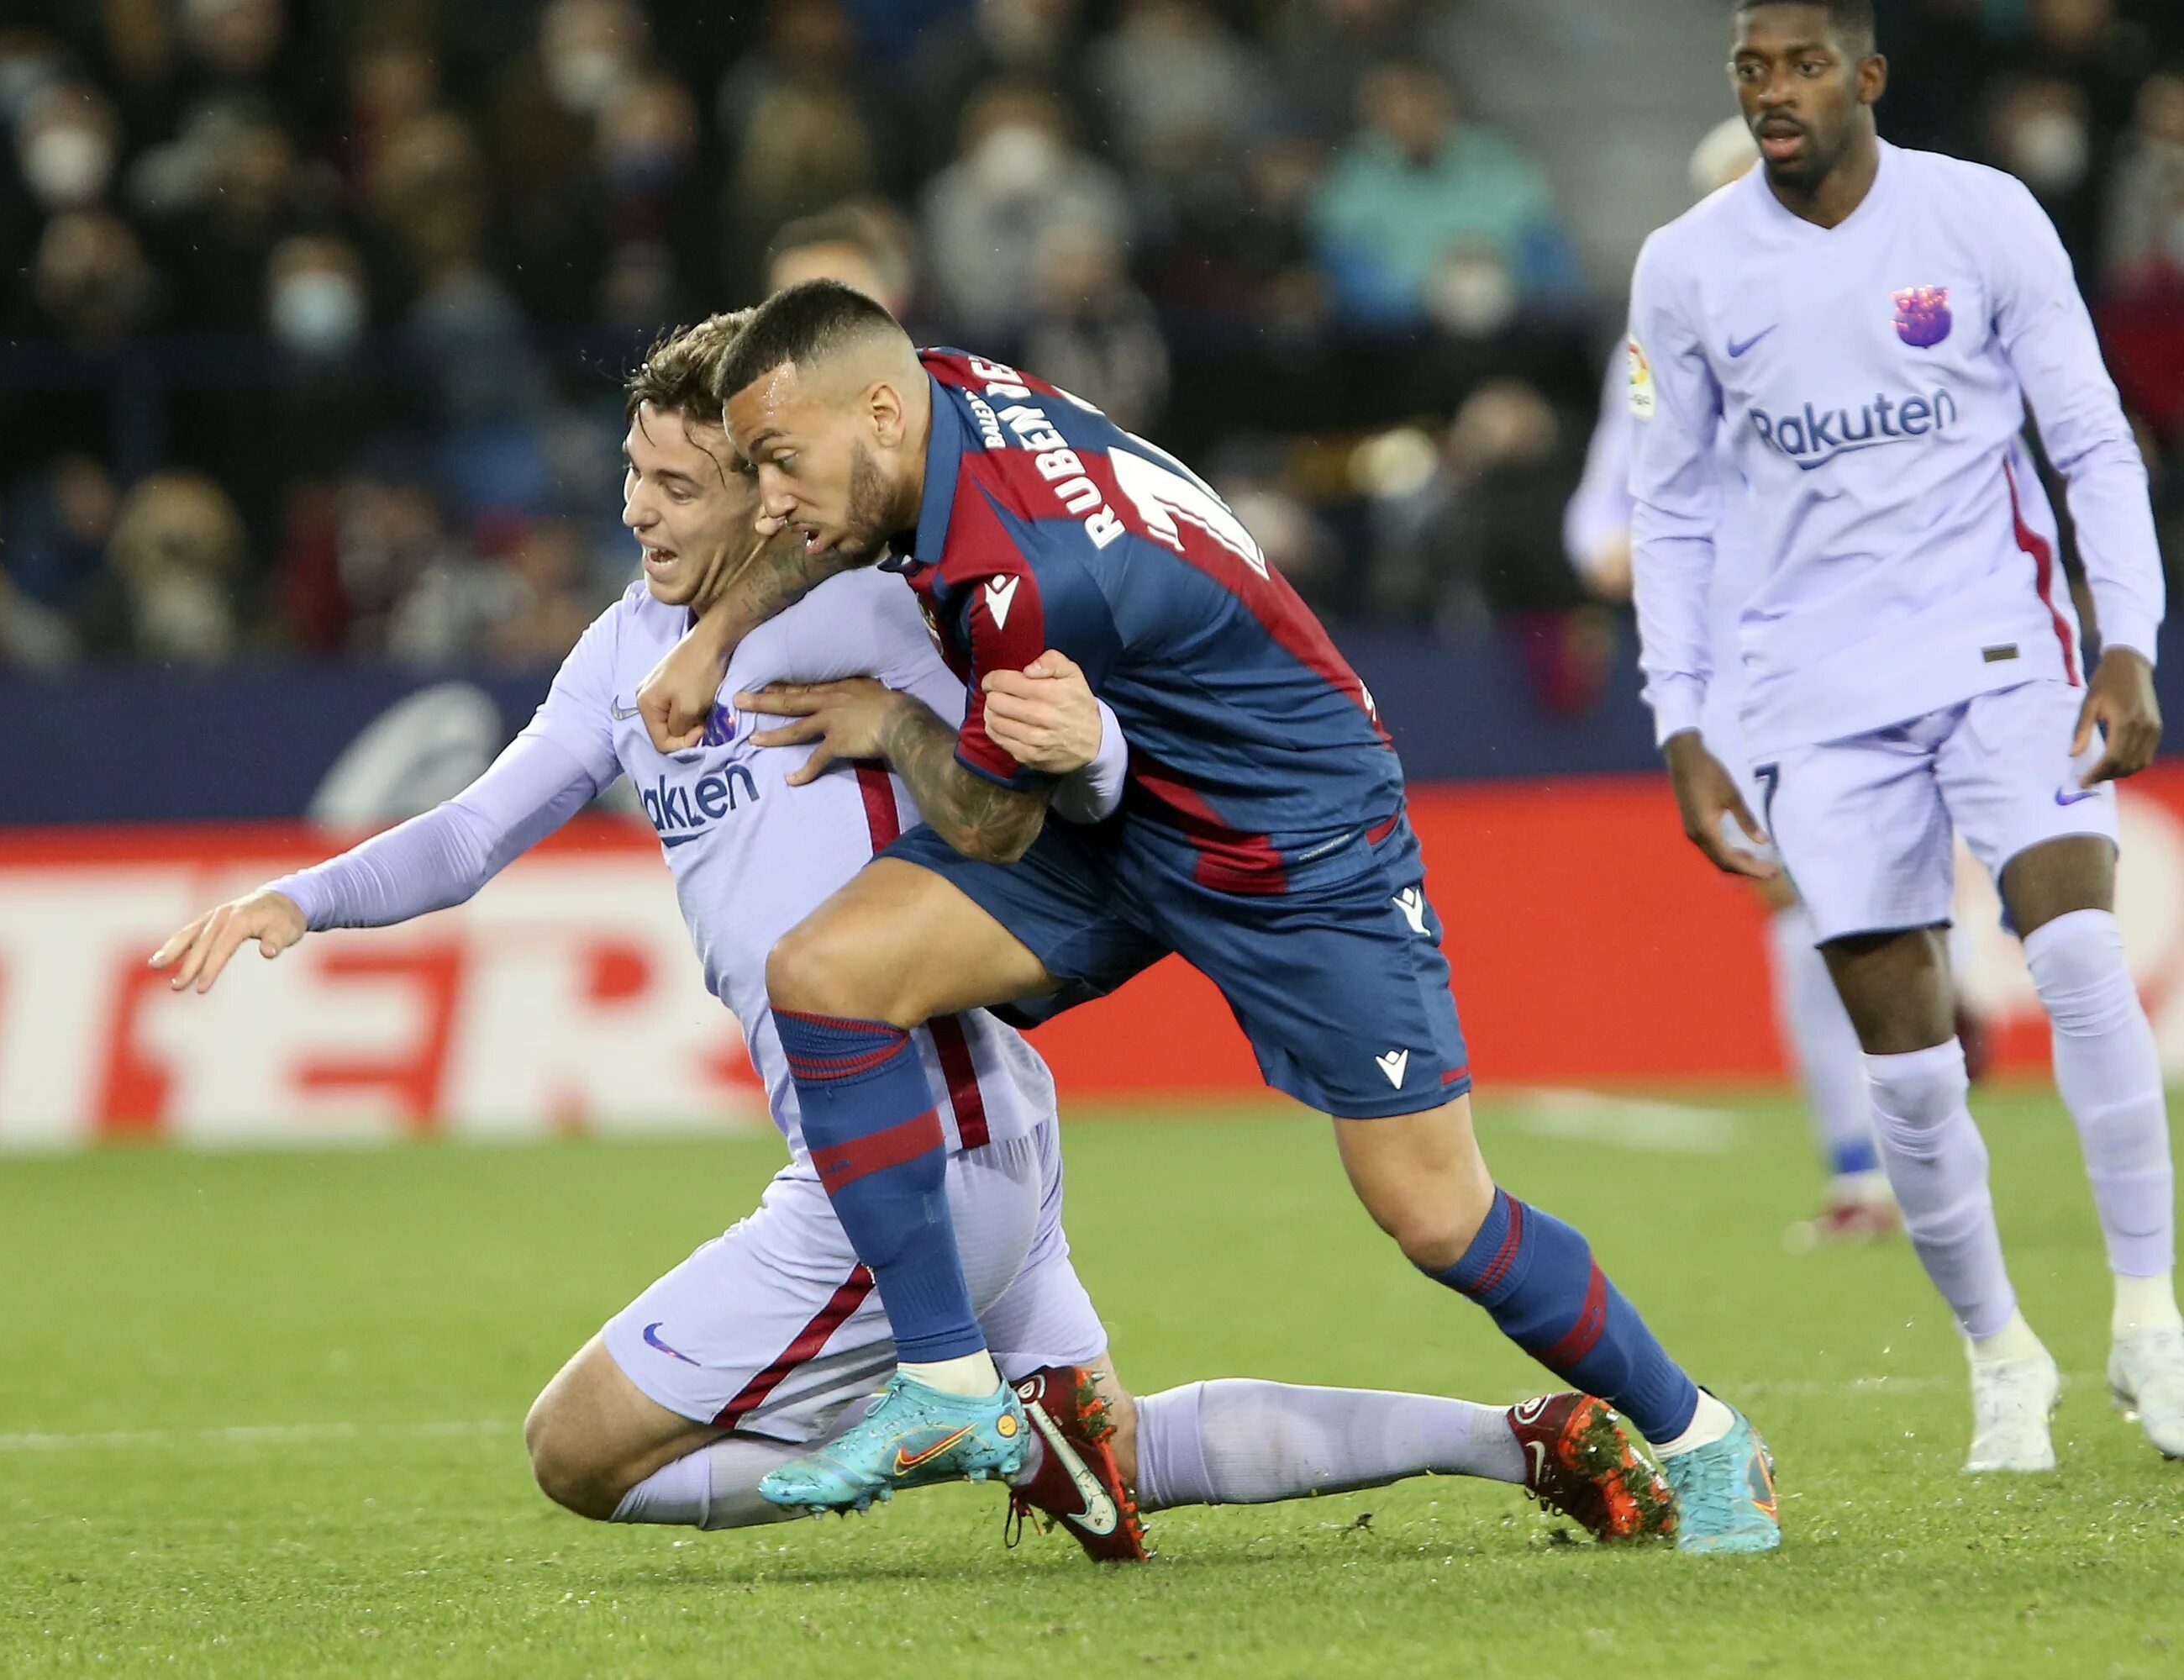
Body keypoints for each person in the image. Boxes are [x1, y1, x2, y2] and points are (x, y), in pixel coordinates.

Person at [149, 313, 1676, 1562]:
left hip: (903, 1148)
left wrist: (1037, 745)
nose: (639, 511)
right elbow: (474, 832)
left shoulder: (889, 608)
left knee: (574, 1455)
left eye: (683, 486)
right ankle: (1517, 1442)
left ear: (770, 489)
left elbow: (1072, 778)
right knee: (1119, 1450)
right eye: (634, 476)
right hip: (965, 1122)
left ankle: (973, 1427)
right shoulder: (623, 654)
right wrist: (300, 899)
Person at [632, 282, 1780, 1554]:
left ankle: (1704, 1439)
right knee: (829, 973)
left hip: (1294, 841)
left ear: (884, 411)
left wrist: (896, 721)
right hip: (1126, 810)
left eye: (778, 463)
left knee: (1436, 1213)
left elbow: (998, 823)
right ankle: (952, 1386)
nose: (770, 500)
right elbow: (833, 530)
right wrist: (708, 642)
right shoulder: (935, 396)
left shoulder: (1028, 579)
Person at [1628, 0, 2182, 1472]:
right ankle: (2003, 1357)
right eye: (1752, 69)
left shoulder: (1981, 216)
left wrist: (2127, 638)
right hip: (1812, 694)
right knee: (1913, 1064)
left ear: (1868, 76)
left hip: (2004, 653)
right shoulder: (1687, 269)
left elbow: (2087, 438)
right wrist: (1682, 723)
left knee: (2074, 959)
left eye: (1803, 64)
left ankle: (2151, 1321)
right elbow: (1670, 511)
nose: (1774, 92)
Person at [1567, 116, 1898, 1247]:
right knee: (1803, 900)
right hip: (1730, 672)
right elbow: (1604, 492)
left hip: (1858, 644)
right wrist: (1605, 545)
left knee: (1845, 900)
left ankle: (1889, 1151)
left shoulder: (1856, 337)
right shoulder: (1656, 353)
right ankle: (1871, 1162)